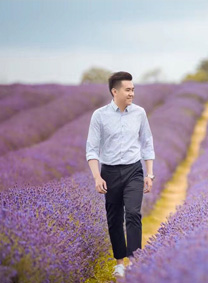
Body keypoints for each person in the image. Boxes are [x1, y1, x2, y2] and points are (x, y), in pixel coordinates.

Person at [86, 71, 155, 278]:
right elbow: (91, 149)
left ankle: (134, 262)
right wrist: (97, 177)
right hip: (110, 172)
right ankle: (119, 263)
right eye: (128, 90)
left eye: (133, 89)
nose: (132, 93)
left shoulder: (140, 113)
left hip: (134, 170)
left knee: (133, 213)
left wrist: (149, 174)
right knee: (114, 218)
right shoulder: (100, 116)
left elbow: (147, 143)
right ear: (114, 91)